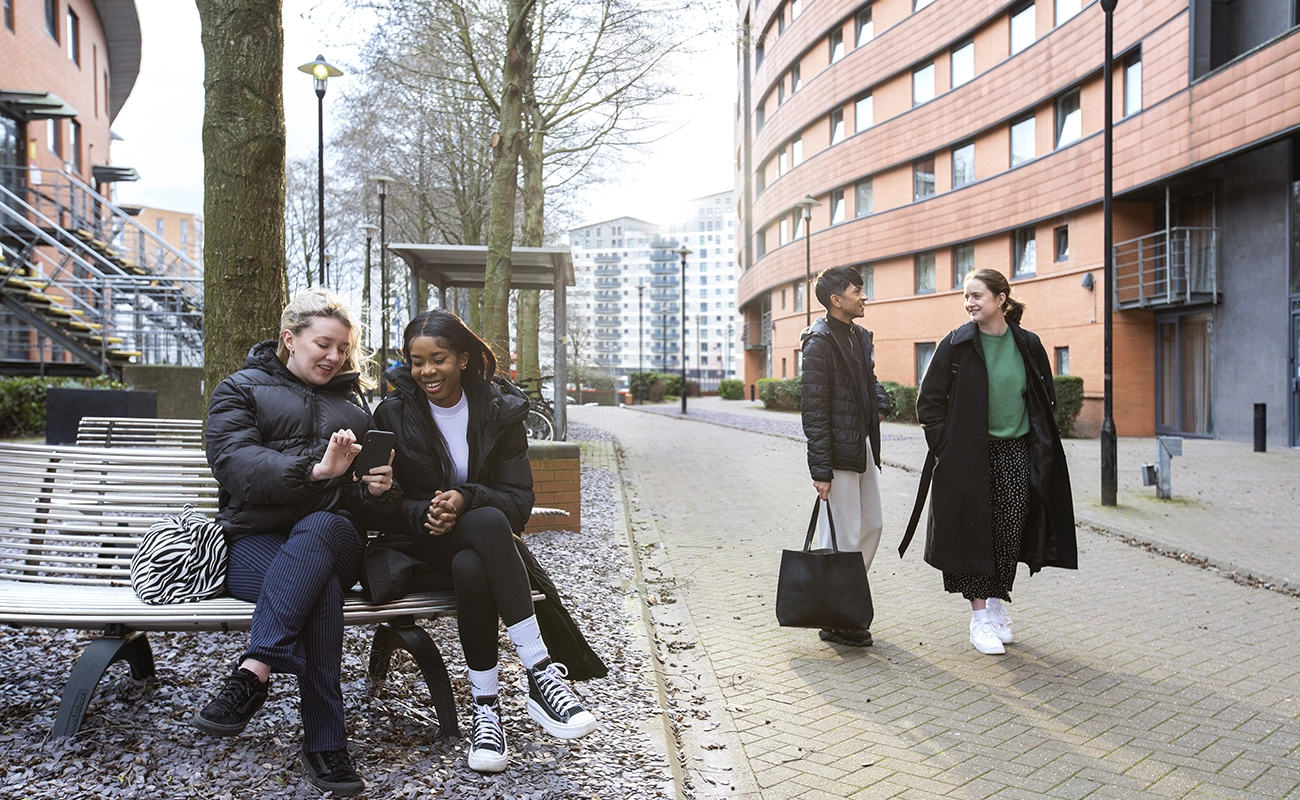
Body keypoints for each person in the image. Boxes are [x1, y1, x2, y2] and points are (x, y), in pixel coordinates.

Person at [372, 308, 598, 774]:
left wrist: (463, 497)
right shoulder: (392, 413)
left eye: (439, 358)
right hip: (418, 545)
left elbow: (518, 503)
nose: (427, 371)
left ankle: (486, 711)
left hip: (482, 548)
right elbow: (381, 501)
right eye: (417, 362)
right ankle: (541, 673)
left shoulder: (501, 411)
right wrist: (424, 512)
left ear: (464, 359)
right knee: (489, 525)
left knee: (479, 552)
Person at [194, 288, 394, 797]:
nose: (334, 357)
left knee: (323, 531)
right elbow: (235, 466)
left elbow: (367, 508)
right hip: (253, 541)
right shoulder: (238, 390)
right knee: (319, 591)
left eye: (343, 348)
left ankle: (254, 668)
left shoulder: (355, 408)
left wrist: (377, 489)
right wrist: (314, 470)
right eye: (323, 344)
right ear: (289, 338)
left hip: (335, 534)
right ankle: (327, 744)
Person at [903, 268, 1077, 655]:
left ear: (1001, 299)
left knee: (1008, 532)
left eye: (978, 296)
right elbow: (928, 403)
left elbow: (1043, 401)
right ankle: (979, 619)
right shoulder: (956, 343)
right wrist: (946, 446)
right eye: (966, 297)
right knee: (974, 533)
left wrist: (1042, 447)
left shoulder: (1028, 344)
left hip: (1015, 452)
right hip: (967, 457)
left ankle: (997, 607)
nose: (970, 303)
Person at [800, 265, 892, 648]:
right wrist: (820, 469)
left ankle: (842, 602)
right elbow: (814, 410)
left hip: (863, 445)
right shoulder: (819, 342)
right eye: (858, 290)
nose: (864, 296)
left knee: (872, 524)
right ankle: (837, 616)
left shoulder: (858, 335)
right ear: (837, 300)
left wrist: (881, 401)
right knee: (843, 534)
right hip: (837, 452)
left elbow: (867, 381)